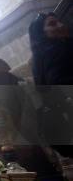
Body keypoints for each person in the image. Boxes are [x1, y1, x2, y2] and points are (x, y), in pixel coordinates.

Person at [28, 12, 73, 157]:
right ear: (41, 33)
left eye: (58, 22)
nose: (61, 25)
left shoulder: (38, 57)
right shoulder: (57, 49)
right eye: (52, 24)